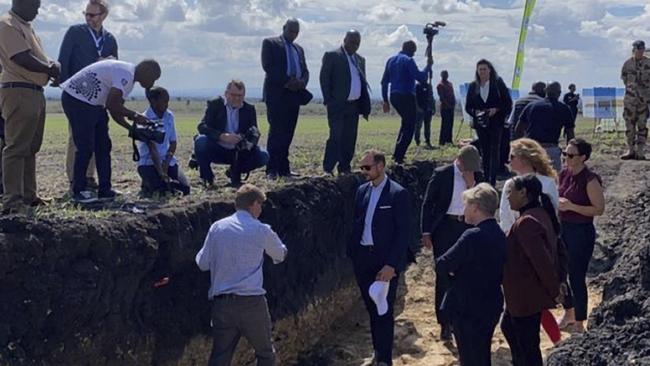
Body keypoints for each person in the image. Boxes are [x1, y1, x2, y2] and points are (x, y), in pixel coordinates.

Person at [195, 184, 288, 366]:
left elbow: (202, 263)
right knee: (265, 354)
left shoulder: (217, 228)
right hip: (251, 303)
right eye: (260, 204)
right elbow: (280, 254)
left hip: (222, 305)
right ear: (253, 204)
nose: (261, 209)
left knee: (220, 356)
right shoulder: (261, 229)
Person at [60, 59, 161, 203]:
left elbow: (115, 110)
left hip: (94, 104)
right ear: (146, 70)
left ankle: (105, 190)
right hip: (78, 99)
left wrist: (131, 128)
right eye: (153, 78)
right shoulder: (126, 74)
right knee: (85, 147)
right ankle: (78, 191)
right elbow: (112, 104)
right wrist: (135, 116)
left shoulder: (128, 78)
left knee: (103, 146)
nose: (151, 84)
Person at [348, 149, 412, 366]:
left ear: (381, 166)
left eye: (367, 167)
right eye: (362, 167)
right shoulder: (361, 191)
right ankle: (378, 352)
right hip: (363, 259)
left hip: (384, 262)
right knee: (371, 308)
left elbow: (404, 233)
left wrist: (392, 265)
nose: (363, 171)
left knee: (383, 310)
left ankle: (384, 360)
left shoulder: (397, 194)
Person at [498, 138, 563, 345]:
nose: (508, 161)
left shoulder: (546, 184)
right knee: (520, 316)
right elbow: (505, 219)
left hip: (529, 249)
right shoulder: (511, 183)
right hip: (519, 247)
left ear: (525, 158)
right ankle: (556, 340)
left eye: (512, 157)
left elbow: (551, 220)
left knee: (525, 314)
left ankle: (555, 340)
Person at [0, 0, 60, 215]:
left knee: (31, 147)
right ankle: (12, 201)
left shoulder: (27, 27)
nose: (37, 10)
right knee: (16, 147)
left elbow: (37, 57)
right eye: (34, 5)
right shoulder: (7, 24)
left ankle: (28, 195)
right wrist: (49, 69)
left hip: (34, 90)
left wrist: (51, 66)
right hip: (18, 90)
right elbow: (21, 57)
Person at [435, 183, 506, 366]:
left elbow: (442, 264)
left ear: (475, 207)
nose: (464, 209)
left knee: (468, 357)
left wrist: (455, 278)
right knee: (482, 355)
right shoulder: (500, 234)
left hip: (467, 306)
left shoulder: (472, 236)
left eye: (466, 205)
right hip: (491, 304)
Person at [421, 145, 483, 340]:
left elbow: (483, 202)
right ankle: (444, 322)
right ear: (460, 161)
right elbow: (428, 203)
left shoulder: (476, 178)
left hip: (466, 227)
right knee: (444, 274)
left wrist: (471, 185)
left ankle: (460, 318)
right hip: (445, 228)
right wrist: (426, 231)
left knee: (465, 273)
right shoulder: (442, 174)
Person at [58, 0, 118, 191]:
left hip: (98, 98)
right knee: (77, 139)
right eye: (86, 14)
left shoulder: (110, 39)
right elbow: (63, 61)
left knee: (96, 140)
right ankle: (75, 180)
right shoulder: (75, 32)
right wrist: (67, 88)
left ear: (104, 16)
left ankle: (90, 178)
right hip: (77, 95)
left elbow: (114, 69)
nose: (89, 19)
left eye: (93, 15)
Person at [556, 138, 605, 333]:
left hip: (581, 232)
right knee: (560, 271)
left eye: (570, 155)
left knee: (576, 275)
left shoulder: (590, 179)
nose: (566, 158)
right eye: (565, 154)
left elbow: (599, 209)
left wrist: (571, 206)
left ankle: (580, 320)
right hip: (564, 228)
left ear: (583, 158)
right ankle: (569, 309)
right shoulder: (564, 173)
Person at [194, 80, 269, 188]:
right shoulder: (215, 104)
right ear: (226, 94)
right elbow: (202, 126)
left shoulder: (249, 109)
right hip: (217, 148)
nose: (237, 98)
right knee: (200, 141)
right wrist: (222, 136)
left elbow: (255, 132)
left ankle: (234, 172)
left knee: (263, 155)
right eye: (233, 95)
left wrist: (244, 140)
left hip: (238, 151)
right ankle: (207, 178)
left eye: (240, 95)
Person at [261, 18, 310, 179]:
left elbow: (305, 71)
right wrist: (288, 81)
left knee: (288, 132)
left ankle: (284, 168)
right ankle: (272, 169)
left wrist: (301, 82)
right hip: (277, 94)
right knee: (276, 132)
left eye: (296, 32)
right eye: (291, 31)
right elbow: (268, 67)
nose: (293, 34)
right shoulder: (271, 43)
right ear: (284, 28)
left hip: (294, 96)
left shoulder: (299, 49)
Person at [319, 30, 371, 176]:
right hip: (337, 105)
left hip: (353, 106)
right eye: (352, 41)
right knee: (335, 136)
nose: (354, 45)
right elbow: (324, 78)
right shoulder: (333, 56)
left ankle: (344, 167)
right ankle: (328, 168)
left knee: (350, 138)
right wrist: (328, 100)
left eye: (357, 43)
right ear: (345, 39)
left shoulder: (360, 60)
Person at [381, 40, 433, 164]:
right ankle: (399, 156)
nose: (414, 55)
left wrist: (385, 100)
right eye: (414, 52)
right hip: (406, 96)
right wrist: (428, 66)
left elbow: (384, 82)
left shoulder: (391, 60)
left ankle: (397, 153)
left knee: (405, 123)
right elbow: (420, 77)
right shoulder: (408, 60)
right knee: (410, 126)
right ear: (411, 50)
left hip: (394, 96)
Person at [465, 59, 513, 186]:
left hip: (496, 122)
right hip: (481, 123)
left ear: (490, 70)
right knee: (484, 150)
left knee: (494, 150)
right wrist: (476, 113)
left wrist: (496, 110)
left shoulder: (498, 83)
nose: (482, 72)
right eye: (480, 69)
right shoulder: (473, 86)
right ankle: (485, 178)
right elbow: (468, 106)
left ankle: (492, 179)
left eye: (484, 69)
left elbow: (508, 103)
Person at [135, 87, 189, 197]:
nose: (167, 104)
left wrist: (166, 163)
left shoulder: (169, 116)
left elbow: (173, 143)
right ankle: (148, 183)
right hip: (149, 163)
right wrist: (161, 173)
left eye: (168, 101)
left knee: (185, 189)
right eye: (164, 101)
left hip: (167, 161)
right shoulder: (144, 119)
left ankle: (157, 183)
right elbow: (152, 149)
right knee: (161, 191)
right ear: (153, 101)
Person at [515, 82, 575, 173]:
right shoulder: (564, 109)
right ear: (559, 93)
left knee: (530, 181)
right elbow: (570, 133)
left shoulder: (531, 106)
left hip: (532, 149)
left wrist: (522, 147)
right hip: (552, 150)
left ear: (545, 91)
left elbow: (518, 129)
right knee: (553, 181)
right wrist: (569, 153)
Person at [620, 40, 650, 160]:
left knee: (642, 125)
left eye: (641, 49)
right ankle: (630, 150)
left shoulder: (648, 63)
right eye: (637, 50)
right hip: (630, 100)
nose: (640, 52)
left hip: (643, 101)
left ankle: (640, 150)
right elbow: (624, 79)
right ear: (633, 50)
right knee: (629, 126)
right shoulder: (627, 64)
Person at [414, 80, 435, 149]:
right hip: (420, 110)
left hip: (428, 109)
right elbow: (415, 98)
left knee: (427, 126)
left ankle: (427, 140)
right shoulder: (417, 86)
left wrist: (433, 107)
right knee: (418, 126)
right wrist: (417, 108)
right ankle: (417, 140)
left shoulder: (429, 86)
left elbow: (431, 97)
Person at [437, 70, 456, 146]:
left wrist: (453, 103)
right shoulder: (440, 85)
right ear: (441, 75)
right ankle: (442, 141)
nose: (446, 75)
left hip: (451, 107)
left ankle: (449, 140)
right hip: (445, 108)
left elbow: (452, 94)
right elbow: (442, 98)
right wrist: (448, 105)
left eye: (446, 74)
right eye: (444, 74)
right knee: (445, 124)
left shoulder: (450, 84)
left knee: (451, 124)